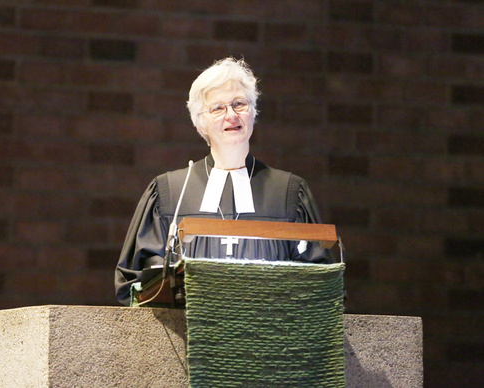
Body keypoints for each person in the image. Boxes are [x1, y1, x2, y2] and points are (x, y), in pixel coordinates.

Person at [114, 57, 333, 306]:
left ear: (253, 112)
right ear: (201, 122)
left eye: (239, 104)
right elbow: (137, 284)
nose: (231, 115)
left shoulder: (289, 193)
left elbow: (322, 283)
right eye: (218, 108)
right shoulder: (170, 193)